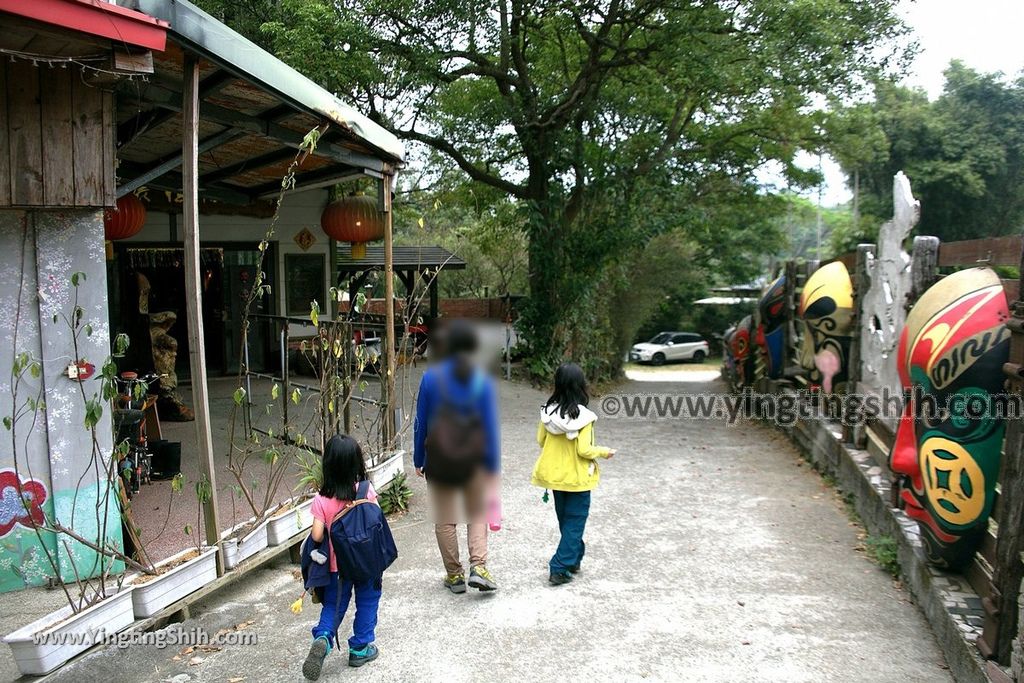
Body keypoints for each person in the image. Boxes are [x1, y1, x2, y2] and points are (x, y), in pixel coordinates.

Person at [414, 319, 501, 593]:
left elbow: (421, 423)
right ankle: (479, 567)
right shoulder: (482, 380)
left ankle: (454, 576)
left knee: (446, 517)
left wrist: (419, 459)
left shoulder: (430, 378)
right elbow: (490, 426)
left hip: (439, 457)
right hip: (474, 455)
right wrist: (493, 464)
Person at [302, 435, 381, 681]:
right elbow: (376, 517)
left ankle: (324, 638)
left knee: (334, 605)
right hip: (366, 564)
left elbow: (316, 534)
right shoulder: (366, 490)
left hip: (337, 568)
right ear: (357, 462)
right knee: (367, 602)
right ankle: (360, 648)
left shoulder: (322, 499)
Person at [532, 362, 616, 585]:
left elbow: (540, 440)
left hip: (555, 478)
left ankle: (574, 558)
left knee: (566, 521)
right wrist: (604, 452)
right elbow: (584, 450)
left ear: (557, 384)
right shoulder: (585, 417)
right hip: (577, 479)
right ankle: (559, 567)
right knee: (575, 522)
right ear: (580, 386)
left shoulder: (547, 413)